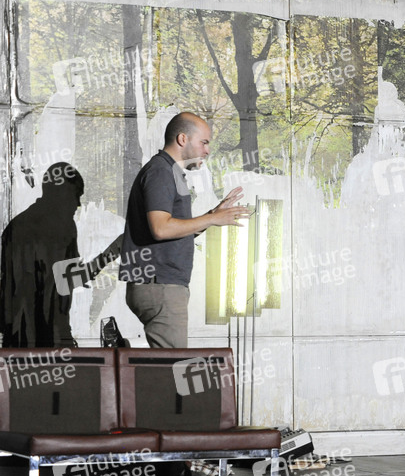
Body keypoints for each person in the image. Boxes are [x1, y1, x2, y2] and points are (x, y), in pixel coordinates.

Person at [120, 112, 249, 348]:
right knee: (170, 366)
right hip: (161, 286)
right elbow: (161, 229)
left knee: (166, 363)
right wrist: (212, 219)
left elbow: (172, 230)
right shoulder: (161, 172)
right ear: (182, 139)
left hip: (161, 284)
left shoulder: (170, 172)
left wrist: (212, 215)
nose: (207, 150)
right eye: (204, 142)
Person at [0, 163, 119, 347]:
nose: (78, 204)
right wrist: (112, 253)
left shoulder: (15, 227)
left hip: (17, 338)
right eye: (75, 195)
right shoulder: (62, 228)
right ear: (61, 194)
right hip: (52, 336)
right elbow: (68, 280)